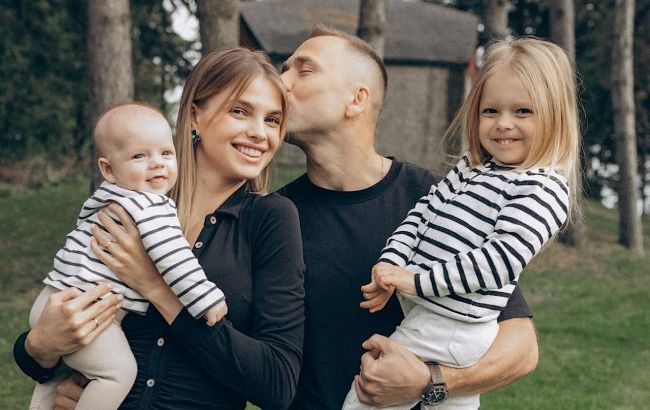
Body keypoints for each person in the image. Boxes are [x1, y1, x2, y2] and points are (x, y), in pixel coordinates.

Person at [13, 48, 305, 409]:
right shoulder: (132, 202)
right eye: (240, 111)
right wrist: (40, 347)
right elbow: (69, 314)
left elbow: (277, 384)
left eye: (273, 120)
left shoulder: (271, 218)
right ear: (195, 116)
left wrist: (155, 288)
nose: (259, 133)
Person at [277, 25, 541, 409]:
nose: (280, 83)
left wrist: (431, 382)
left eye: (303, 70)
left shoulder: (438, 199)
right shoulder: (273, 216)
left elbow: (521, 346)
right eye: (283, 69)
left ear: (357, 99)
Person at [341, 38, 579, 410]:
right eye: (490, 111)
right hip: (432, 314)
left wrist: (415, 281)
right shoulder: (470, 170)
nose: (503, 124)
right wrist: (391, 265)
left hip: (452, 325)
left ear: (554, 116)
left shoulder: (541, 188)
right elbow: (421, 215)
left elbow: (498, 261)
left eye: (523, 111)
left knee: (365, 398)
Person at [27, 103, 227, 410]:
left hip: (52, 302)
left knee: (55, 380)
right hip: (87, 309)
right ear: (108, 169)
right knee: (118, 374)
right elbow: (174, 257)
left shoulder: (108, 197)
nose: (157, 164)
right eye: (139, 156)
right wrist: (206, 300)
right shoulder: (149, 206)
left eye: (166, 153)